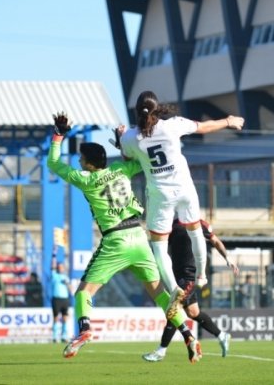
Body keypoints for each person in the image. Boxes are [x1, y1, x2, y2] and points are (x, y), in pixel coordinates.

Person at [47, 113, 202, 363]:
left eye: (81, 159)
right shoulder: (121, 169)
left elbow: (54, 164)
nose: (79, 161)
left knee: (83, 293)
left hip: (116, 240)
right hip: (139, 238)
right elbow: (142, 160)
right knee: (161, 295)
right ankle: (188, 336)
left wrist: (58, 135)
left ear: (87, 164)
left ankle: (85, 330)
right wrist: (124, 144)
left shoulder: (85, 179)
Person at [118, 90, 244, 306]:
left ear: (137, 111)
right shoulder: (172, 125)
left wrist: (121, 137)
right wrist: (228, 121)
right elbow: (204, 127)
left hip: (160, 195)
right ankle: (202, 276)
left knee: (159, 246)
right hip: (184, 188)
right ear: (156, 109)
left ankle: (174, 288)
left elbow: (127, 156)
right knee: (195, 231)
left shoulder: (130, 137)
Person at [143, 218, 239, 362]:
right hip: (176, 275)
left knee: (174, 309)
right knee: (193, 312)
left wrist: (227, 258)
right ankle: (221, 335)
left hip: (190, 276)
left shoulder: (199, 224)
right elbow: (160, 246)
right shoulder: (170, 224)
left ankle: (161, 350)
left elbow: (216, 241)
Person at [50, 258, 73, 343]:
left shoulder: (66, 277)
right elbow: (52, 266)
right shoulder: (54, 275)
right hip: (56, 299)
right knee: (56, 317)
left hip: (65, 299)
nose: (60, 268)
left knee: (65, 318)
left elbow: (71, 289)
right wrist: (54, 256)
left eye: (61, 267)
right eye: (59, 267)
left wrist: (67, 284)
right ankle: (55, 336)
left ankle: (64, 336)